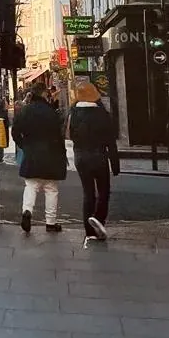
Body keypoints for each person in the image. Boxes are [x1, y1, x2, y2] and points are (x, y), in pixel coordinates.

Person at [68, 80, 120, 241]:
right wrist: (115, 164)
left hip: (81, 157)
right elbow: (111, 141)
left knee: (88, 193)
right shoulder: (102, 114)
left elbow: (70, 135)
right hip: (99, 156)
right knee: (103, 191)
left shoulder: (73, 113)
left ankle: (89, 230)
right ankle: (98, 218)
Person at [12, 82, 67, 233]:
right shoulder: (51, 112)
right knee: (51, 189)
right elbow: (59, 135)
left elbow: (15, 132)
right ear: (43, 93)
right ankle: (50, 222)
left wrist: (25, 146)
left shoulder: (25, 111)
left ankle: (27, 211)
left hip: (32, 154)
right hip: (51, 154)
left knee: (31, 185)